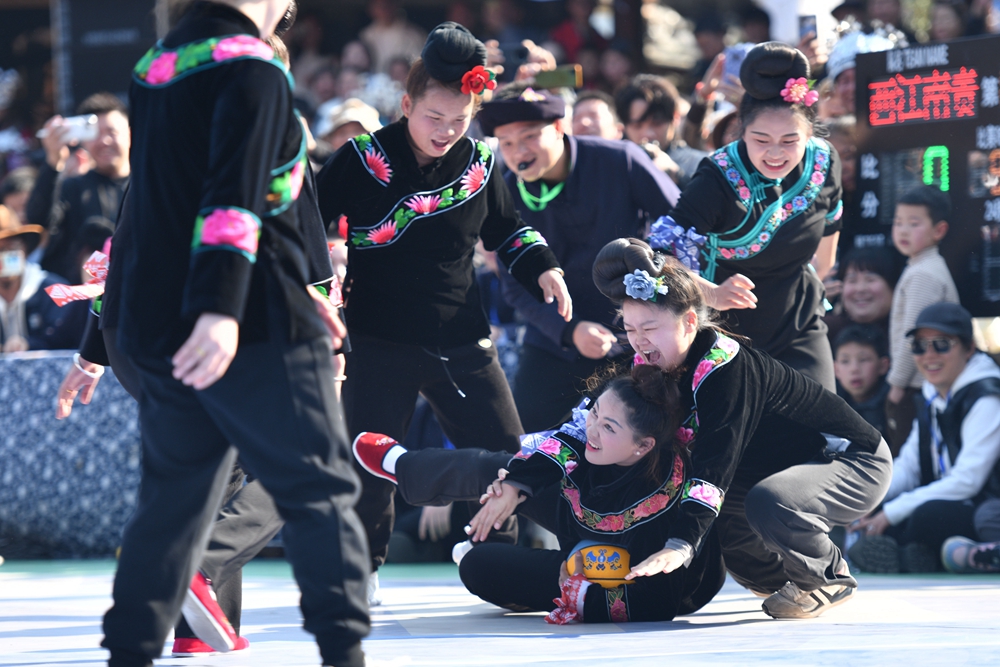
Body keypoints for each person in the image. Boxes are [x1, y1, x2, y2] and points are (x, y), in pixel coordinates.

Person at [100, 2, 370, 666]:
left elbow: (154, 206)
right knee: (320, 492)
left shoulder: (154, 66)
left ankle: (127, 652)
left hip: (159, 327)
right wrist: (219, 311)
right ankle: (345, 653)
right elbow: (233, 196)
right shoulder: (251, 68)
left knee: (170, 507)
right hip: (254, 321)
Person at [316, 22, 571, 597]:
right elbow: (307, 224)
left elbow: (507, 230)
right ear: (406, 104)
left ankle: (495, 558)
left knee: (509, 455)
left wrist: (544, 268)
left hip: (460, 334)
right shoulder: (358, 158)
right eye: (434, 118)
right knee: (370, 462)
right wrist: (318, 284)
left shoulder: (479, 160)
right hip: (377, 337)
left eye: (459, 120)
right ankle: (362, 570)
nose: (446, 131)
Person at [592, 237, 891, 619]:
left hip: (851, 458)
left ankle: (825, 577)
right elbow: (593, 418)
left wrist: (680, 544)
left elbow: (716, 461)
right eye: (631, 329)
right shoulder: (650, 365)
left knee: (766, 501)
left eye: (649, 327)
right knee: (719, 521)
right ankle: (783, 580)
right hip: (775, 469)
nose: (639, 340)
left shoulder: (726, 367)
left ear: (689, 322)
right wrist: (521, 477)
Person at [352, 363, 726, 623]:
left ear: (642, 447)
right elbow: (563, 440)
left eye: (608, 427)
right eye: (595, 413)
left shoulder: (673, 492)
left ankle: (500, 561)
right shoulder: (589, 437)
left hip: (613, 573)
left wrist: (575, 589)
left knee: (478, 567)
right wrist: (515, 486)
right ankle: (404, 466)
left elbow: (661, 598)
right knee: (497, 469)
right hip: (578, 518)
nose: (592, 429)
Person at [476, 83, 679, 432]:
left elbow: (681, 226)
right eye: (506, 144)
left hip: (640, 329)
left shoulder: (619, 159)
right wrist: (570, 330)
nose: (517, 151)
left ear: (558, 128)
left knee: (653, 433)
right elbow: (515, 286)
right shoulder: (505, 193)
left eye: (528, 137)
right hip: (558, 338)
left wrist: (657, 299)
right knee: (529, 439)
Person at [656, 42, 843, 390]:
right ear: (741, 130)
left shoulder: (824, 160)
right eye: (761, 139)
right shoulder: (717, 175)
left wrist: (816, 276)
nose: (775, 153)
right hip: (725, 333)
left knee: (825, 432)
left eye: (790, 141)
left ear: (808, 135)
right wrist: (711, 293)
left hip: (798, 322)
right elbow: (660, 257)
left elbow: (828, 243)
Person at [849, 303, 1000, 573]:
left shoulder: (986, 396)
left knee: (925, 516)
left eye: (941, 344)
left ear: (969, 349)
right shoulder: (933, 395)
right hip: (960, 501)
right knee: (885, 508)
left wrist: (892, 513)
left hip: (986, 505)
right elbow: (909, 466)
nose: (929, 355)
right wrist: (868, 500)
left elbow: (968, 481)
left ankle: (915, 554)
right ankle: (917, 554)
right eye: (919, 346)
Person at [886, 186, 959, 467]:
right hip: (917, 384)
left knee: (910, 460)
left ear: (938, 230)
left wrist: (896, 384)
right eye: (898, 222)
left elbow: (913, 337)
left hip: (917, 386)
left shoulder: (923, 275)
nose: (903, 230)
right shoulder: (922, 267)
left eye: (914, 223)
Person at [27, 93, 131, 283]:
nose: (104, 141)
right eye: (95, 134)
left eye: (112, 132)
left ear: (130, 133)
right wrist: (53, 161)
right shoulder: (74, 188)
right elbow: (39, 220)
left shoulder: (145, 185)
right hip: (87, 301)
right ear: (83, 140)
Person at [0, 207, 87, 352]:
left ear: (25, 249)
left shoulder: (56, 293)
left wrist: (29, 345)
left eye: (12, 248)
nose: (5, 257)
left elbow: (68, 343)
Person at [615, 74, 708, 188]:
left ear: (675, 118)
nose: (648, 133)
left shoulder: (699, 164)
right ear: (623, 126)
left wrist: (678, 178)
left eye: (657, 124)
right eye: (637, 126)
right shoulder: (614, 163)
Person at [823, 246, 899, 349]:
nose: (860, 289)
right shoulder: (825, 330)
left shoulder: (905, 331)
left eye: (870, 279)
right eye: (852, 280)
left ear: (893, 287)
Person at [833, 324, 891, 440]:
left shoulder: (892, 404)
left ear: (883, 365)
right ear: (836, 369)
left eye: (863, 360)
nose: (854, 369)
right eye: (845, 361)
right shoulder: (832, 407)